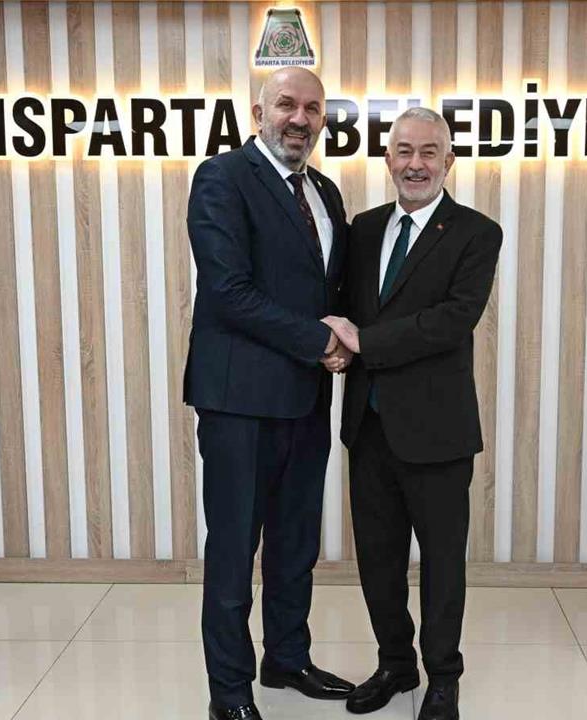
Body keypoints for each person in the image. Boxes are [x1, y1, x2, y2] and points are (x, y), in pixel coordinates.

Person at [185, 66, 356, 720]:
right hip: (239, 403)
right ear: (259, 112)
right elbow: (228, 291)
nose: (300, 118)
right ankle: (229, 693)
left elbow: (329, 291)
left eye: (312, 108)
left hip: (306, 400)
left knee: (294, 544)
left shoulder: (326, 191)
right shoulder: (223, 178)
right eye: (287, 104)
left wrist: (350, 339)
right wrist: (320, 341)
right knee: (234, 550)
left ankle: (287, 659)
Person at [324, 107, 502, 720]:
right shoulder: (364, 228)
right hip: (368, 425)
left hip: (438, 431)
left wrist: (364, 343)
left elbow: (453, 320)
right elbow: (347, 308)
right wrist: (333, 345)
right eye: (404, 151)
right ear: (388, 159)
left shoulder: (477, 233)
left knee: (443, 563)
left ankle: (443, 678)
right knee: (378, 559)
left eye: (429, 152)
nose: (416, 164)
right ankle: (395, 665)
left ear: (448, 161)